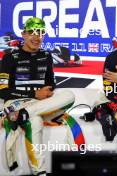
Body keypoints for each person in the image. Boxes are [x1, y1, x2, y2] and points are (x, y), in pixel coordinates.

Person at [0, 17, 79, 175]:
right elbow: (2, 90)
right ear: (23, 34)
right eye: (32, 32)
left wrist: (47, 94)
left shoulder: (46, 55)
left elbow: (51, 84)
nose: (37, 37)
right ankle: (40, 172)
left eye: (41, 33)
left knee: (69, 95)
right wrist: (34, 93)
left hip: (37, 105)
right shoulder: (10, 57)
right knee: (35, 121)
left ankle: (24, 115)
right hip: (17, 102)